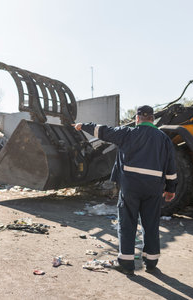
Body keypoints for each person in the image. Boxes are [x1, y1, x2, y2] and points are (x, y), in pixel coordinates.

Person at [72, 105, 177, 275]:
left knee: (127, 223)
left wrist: (83, 125)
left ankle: (127, 264)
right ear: (152, 119)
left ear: (137, 119)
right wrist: (171, 188)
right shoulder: (164, 139)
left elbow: (103, 131)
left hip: (131, 187)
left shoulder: (128, 133)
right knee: (151, 224)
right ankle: (151, 261)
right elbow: (171, 167)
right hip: (154, 188)